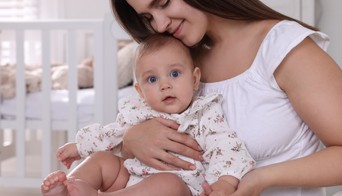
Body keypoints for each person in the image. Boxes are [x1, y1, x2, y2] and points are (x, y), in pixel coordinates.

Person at [109, 0, 342, 195]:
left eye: (164, 3)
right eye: (148, 17)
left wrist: (261, 178)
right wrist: (130, 140)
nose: (160, 25)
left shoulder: (282, 48)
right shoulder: (176, 63)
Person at [41, 34, 255, 196]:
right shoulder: (138, 112)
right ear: (140, 91)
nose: (165, 85)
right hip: (130, 180)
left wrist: (225, 183)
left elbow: (227, 147)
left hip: (180, 186)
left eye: (174, 73)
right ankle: (73, 187)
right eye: (152, 79)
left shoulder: (203, 114)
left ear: (194, 79)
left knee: (168, 184)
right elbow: (112, 134)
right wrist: (79, 147)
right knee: (101, 159)